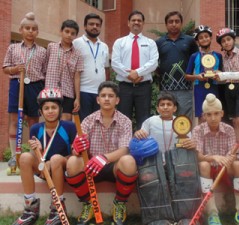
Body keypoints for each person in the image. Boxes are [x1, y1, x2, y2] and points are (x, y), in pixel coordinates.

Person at [65, 81, 138, 225]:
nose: (106, 99)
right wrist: (77, 148)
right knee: (72, 162)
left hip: (114, 167)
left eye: (110, 96)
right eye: (103, 96)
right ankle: (88, 205)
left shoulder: (125, 121)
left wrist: (104, 158)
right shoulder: (88, 120)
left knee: (129, 161)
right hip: (92, 167)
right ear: (97, 99)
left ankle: (120, 204)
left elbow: (125, 149)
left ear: (117, 100)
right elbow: (75, 152)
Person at [133, 91, 200, 225]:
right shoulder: (150, 121)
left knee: (185, 181)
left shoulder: (182, 122)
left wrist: (192, 144)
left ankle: (185, 216)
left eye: (169, 104)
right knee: (153, 184)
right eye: (162, 104)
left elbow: (189, 144)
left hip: (176, 164)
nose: (165, 107)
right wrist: (138, 133)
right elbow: (140, 139)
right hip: (154, 165)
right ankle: (157, 218)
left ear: (174, 108)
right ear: (157, 108)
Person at [12, 88, 77, 225]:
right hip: (44, 170)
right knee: (24, 157)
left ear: (60, 109)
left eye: (54, 107)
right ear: (41, 112)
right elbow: (38, 159)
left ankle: (57, 208)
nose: (50, 111)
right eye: (46, 108)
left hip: (62, 165)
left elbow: (74, 155)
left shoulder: (70, 127)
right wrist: (39, 152)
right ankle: (30, 207)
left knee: (55, 159)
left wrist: (52, 161)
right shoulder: (36, 129)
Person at [192, 93, 239, 225]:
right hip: (208, 169)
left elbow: (233, 154)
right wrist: (213, 157)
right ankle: (213, 214)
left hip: (225, 168)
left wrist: (229, 158)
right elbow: (198, 155)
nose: (213, 118)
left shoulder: (229, 129)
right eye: (209, 114)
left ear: (222, 113)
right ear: (204, 116)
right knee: (204, 165)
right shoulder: (197, 130)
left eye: (216, 113)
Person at [2, 12, 47, 171]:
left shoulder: (42, 50)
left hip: (35, 86)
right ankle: (15, 157)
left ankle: (34, 157)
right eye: (27, 28)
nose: (30, 31)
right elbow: (5, 68)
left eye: (33, 29)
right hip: (16, 84)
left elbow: (45, 72)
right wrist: (14, 69)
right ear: (21, 30)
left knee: (34, 122)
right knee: (15, 120)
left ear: (37, 32)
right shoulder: (13, 47)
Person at [111, 10, 158, 130]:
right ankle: (124, 146)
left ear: (143, 23)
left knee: (144, 119)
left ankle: (141, 147)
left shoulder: (150, 43)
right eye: (133, 20)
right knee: (123, 118)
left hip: (144, 87)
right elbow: (115, 63)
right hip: (124, 87)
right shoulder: (120, 42)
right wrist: (129, 75)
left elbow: (153, 63)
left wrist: (137, 72)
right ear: (128, 23)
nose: (136, 22)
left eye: (139, 20)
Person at [156, 11, 199, 120]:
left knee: (185, 120)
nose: (174, 24)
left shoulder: (190, 41)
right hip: (165, 89)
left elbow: (196, 61)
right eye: (170, 22)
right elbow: (154, 64)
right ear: (166, 24)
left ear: (181, 23)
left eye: (177, 21)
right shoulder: (159, 42)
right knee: (166, 120)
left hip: (185, 89)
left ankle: (184, 138)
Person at [216, 28, 239, 143]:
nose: (226, 42)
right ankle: (234, 147)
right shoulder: (223, 57)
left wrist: (224, 75)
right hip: (229, 88)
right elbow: (221, 76)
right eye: (223, 41)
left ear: (233, 39)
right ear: (221, 44)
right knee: (232, 120)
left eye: (228, 39)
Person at [73, 13, 110, 121]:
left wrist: (106, 90)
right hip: (83, 92)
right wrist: (76, 96)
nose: (95, 27)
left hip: (100, 93)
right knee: (83, 124)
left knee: (98, 124)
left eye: (98, 25)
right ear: (85, 26)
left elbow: (107, 69)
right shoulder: (76, 43)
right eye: (91, 24)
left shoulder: (104, 46)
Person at [45, 19, 83, 121]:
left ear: (76, 36)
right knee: (51, 119)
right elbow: (45, 68)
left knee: (66, 121)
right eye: (66, 31)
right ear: (61, 31)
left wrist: (77, 98)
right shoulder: (51, 47)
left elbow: (77, 77)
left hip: (67, 92)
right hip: (51, 90)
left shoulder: (78, 54)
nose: (69, 35)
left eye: (72, 33)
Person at [185, 25, 223, 124]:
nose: (204, 39)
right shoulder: (194, 56)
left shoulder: (218, 56)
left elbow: (222, 73)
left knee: (215, 116)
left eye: (206, 36)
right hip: (199, 88)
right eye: (201, 38)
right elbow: (187, 76)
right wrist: (197, 76)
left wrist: (218, 74)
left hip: (214, 87)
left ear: (210, 38)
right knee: (202, 117)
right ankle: (200, 139)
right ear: (197, 41)